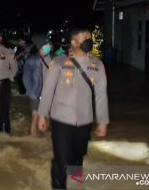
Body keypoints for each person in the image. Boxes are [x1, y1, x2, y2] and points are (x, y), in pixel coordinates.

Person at [37, 26, 109, 189]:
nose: (89, 41)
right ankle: (59, 186)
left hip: (84, 120)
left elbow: (101, 95)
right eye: (85, 38)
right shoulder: (60, 62)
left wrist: (103, 122)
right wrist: (43, 114)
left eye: (90, 37)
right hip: (61, 118)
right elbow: (47, 90)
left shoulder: (97, 65)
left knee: (78, 158)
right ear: (74, 42)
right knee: (61, 158)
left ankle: (76, 184)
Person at [23, 41, 52, 136]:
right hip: (35, 93)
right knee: (35, 117)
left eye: (48, 47)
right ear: (39, 48)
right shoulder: (31, 60)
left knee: (46, 117)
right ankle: (33, 142)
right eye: (44, 47)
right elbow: (26, 77)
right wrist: (31, 92)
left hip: (49, 94)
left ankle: (44, 142)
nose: (46, 49)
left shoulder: (54, 60)